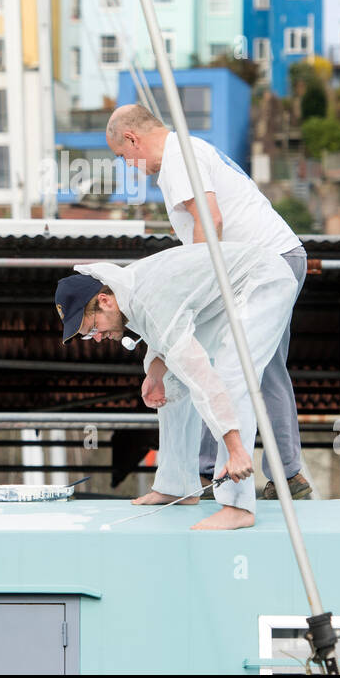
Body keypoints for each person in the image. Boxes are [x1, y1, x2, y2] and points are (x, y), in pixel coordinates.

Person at [105, 104, 313, 499]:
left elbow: (210, 220)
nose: (128, 166)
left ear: (132, 139)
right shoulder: (184, 154)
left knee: (246, 367)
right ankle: (220, 471)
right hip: (254, 264)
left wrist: (193, 286)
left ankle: (271, 476)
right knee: (224, 362)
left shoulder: (178, 157)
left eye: (122, 157)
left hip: (264, 264)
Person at [53, 242, 298, 530]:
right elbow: (164, 337)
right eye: (88, 335)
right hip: (227, 296)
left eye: (92, 327)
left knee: (232, 374)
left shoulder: (147, 299)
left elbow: (200, 375)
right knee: (171, 382)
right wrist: (156, 375)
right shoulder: (129, 293)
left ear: (105, 301)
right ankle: (177, 485)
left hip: (263, 281)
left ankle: (238, 504)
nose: (96, 338)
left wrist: (235, 448)